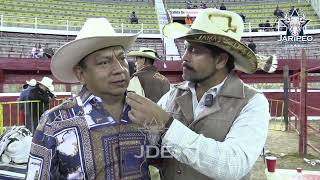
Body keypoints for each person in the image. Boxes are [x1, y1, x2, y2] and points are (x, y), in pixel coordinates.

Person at [126, 8, 271, 180]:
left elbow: (233, 164)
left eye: (195, 51)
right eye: (186, 48)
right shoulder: (173, 95)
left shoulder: (253, 103)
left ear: (220, 60)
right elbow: (151, 147)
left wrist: (166, 125)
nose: (184, 57)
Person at [26, 18, 151, 179]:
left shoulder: (145, 111)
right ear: (81, 74)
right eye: (104, 62)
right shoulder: (54, 122)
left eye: (122, 59)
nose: (120, 69)